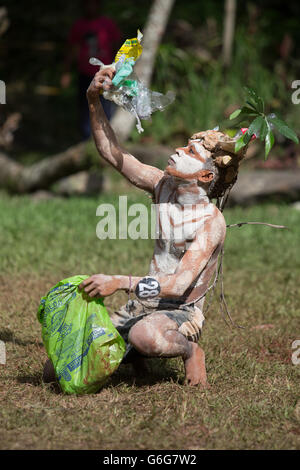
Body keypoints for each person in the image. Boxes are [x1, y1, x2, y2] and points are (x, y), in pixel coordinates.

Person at [77, 67, 248, 387]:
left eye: (190, 152)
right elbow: (112, 153)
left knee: (145, 335)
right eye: (184, 145)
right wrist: (93, 101)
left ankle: (189, 350)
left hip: (182, 312)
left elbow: (179, 284)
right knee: (65, 362)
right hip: (142, 303)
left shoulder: (211, 221)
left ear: (207, 176)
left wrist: (118, 280)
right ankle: (134, 352)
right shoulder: (162, 186)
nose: (178, 150)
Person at [61, 0, 121, 139]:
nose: (91, 7)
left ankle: (108, 138)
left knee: (106, 106)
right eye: (88, 4)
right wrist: (66, 72)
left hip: (107, 75)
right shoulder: (79, 25)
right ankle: (87, 139)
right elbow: (72, 49)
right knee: (86, 107)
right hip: (85, 74)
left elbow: (117, 45)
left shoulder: (107, 24)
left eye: (94, 4)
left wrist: (118, 67)